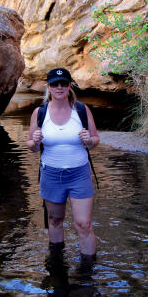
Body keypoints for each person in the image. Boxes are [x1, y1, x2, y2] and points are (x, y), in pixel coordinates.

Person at [27, 67, 100, 259]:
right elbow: (31, 146)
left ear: (70, 86)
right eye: (54, 84)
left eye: (63, 83)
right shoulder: (39, 112)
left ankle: (88, 271)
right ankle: (57, 264)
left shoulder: (82, 110)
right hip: (51, 174)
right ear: (49, 87)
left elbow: (95, 140)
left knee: (83, 224)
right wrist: (34, 141)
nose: (59, 87)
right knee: (55, 219)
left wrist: (89, 140)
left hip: (79, 174)